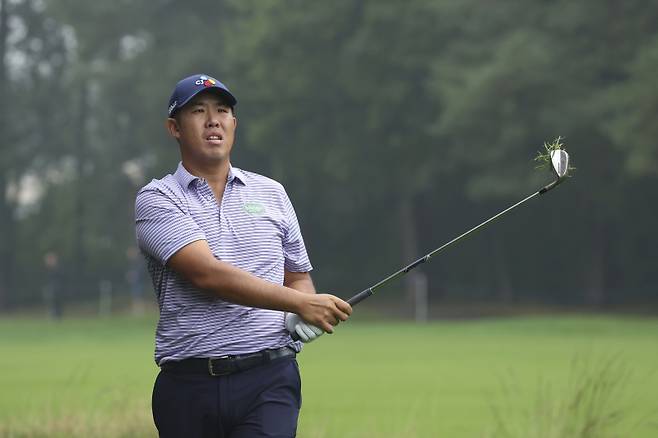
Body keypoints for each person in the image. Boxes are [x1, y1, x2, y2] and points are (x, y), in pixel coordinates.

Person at [135, 73, 352, 437]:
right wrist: (301, 303)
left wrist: (303, 307)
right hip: (188, 385)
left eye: (222, 110)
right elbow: (208, 275)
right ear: (174, 127)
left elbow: (297, 276)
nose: (213, 120)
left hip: (269, 379)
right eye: (198, 111)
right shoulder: (158, 199)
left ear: (234, 123)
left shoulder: (272, 193)